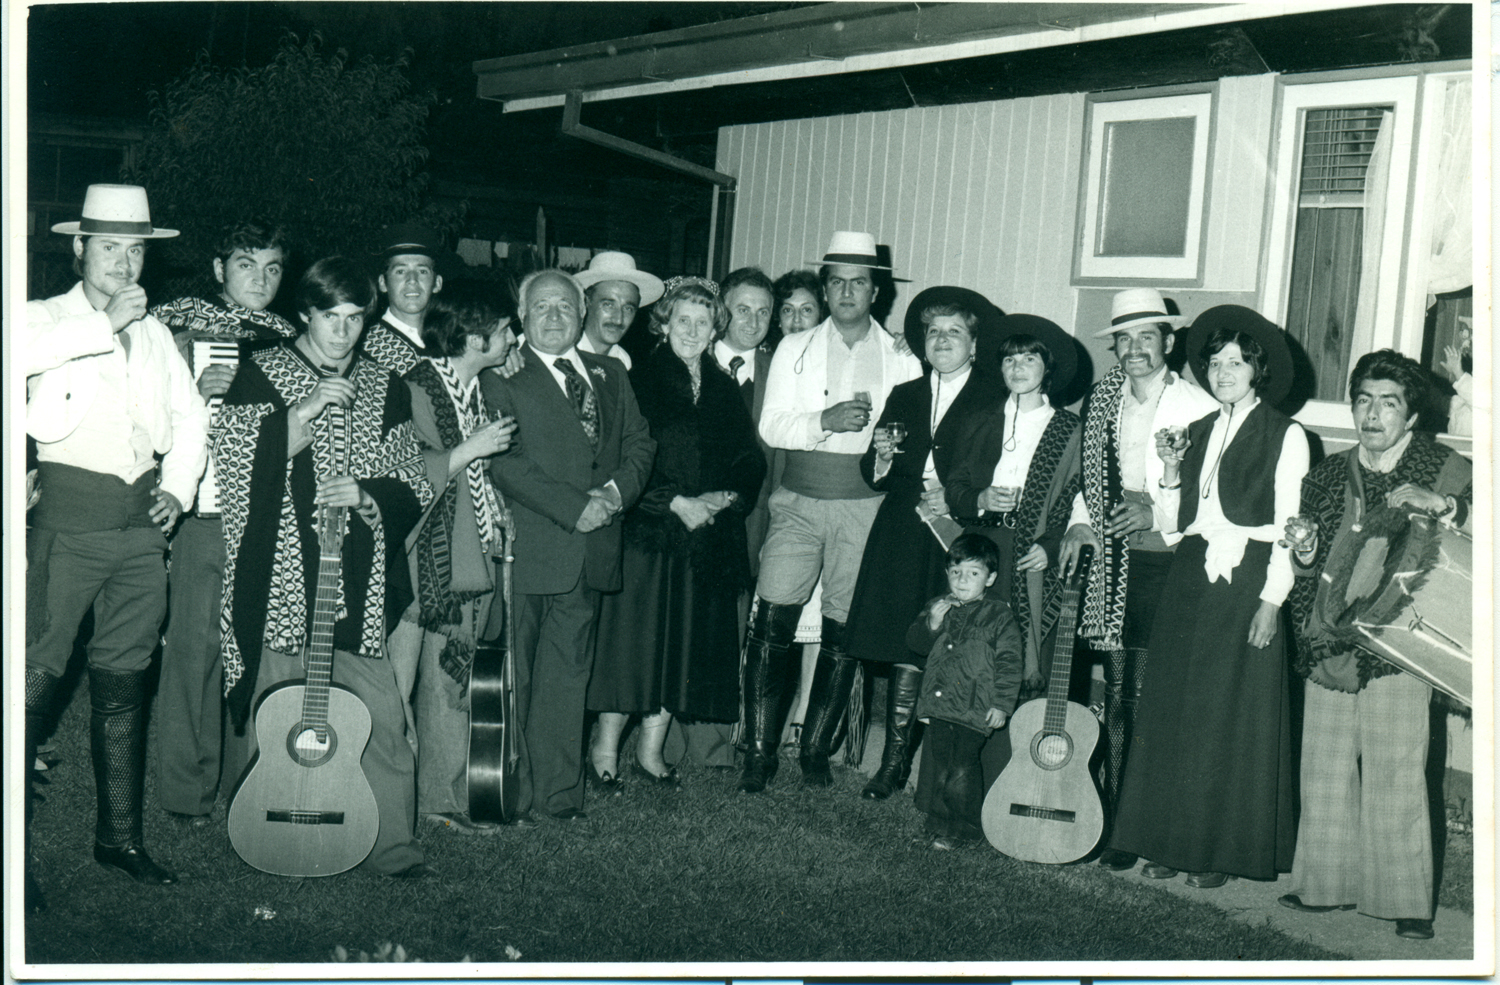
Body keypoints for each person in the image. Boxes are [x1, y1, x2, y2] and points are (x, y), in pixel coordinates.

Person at [215, 256, 434, 877]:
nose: (342, 332)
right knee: (273, 706)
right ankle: (256, 823)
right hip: (282, 573)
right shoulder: (263, 373)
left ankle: (392, 846)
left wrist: (367, 494)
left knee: (383, 717)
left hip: (356, 582)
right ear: (305, 314)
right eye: (329, 317)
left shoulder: (386, 386)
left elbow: (411, 480)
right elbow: (228, 466)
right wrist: (300, 415)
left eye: (354, 319)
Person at [24, 184, 208, 904]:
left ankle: (119, 839)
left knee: (125, 681)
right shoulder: (45, 318)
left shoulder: (158, 334)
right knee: (31, 684)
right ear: (78, 249)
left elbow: (189, 418)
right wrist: (103, 322)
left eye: (136, 250)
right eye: (109, 248)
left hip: (140, 531)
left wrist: (180, 488)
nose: (124, 263)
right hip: (66, 524)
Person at [1108, 305, 1308, 888]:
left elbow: (1289, 527)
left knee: (1226, 713)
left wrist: (1272, 601)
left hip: (1247, 579)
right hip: (1191, 574)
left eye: (1237, 362)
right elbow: (1175, 521)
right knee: (1174, 710)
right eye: (1216, 362)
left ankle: (1218, 851)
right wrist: (1170, 471)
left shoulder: (1285, 433)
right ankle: (1167, 841)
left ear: (1257, 370)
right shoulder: (1195, 431)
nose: (1224, 372)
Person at [1280, 349, 1471, 941]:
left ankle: (1405, 900)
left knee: (1396, 767)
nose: (1372, 414)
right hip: (1331, 637)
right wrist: (1305, 550)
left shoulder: (1445, 468)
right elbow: (1306, 563)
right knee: (1325, 767)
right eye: (1363, 400)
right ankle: (1324, 885)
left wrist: (1446, 505)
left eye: (1388, 403)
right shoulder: (1326, 476)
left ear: (1411, 416)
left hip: (1403, 641)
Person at [740, 231, 922, 794]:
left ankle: (817, 747)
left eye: (859, 282)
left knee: (845, 630)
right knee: (772, 621)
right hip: (797, 501)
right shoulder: (794, 348)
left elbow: (914, 433)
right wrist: (825, 420)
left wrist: (888, 446)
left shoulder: (900, 356)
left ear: (876, 290)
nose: (847, 291)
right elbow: (771, 427)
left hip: (867, 507)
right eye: (837, 281)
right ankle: (759, 752)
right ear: (825, 287)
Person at [481, 269, 656, 821]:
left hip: (592, 550)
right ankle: (509, 793)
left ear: (582, 314)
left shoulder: (610, 374)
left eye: (564, 307)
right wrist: (574, 507)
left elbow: (639, 444)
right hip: (531, 549)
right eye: (541, 308)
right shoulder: (500, 376)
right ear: (523, 317)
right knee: (519, 678)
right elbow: (506, 463)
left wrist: (612, 493)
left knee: (567, 677)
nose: (554, 316)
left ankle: (558, 797)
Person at [1056, 288, 1218, 871]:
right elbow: (1088, 482)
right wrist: (1080, 525)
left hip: (1170, 562)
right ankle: (1120, 820)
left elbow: (1212, 495)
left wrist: (1158, 512)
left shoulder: (1200, 406)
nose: (1134, 349)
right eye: (1124, 339)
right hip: (1113, 561)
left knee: (1155, 696)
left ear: (1168, 343)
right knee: (1120, 694)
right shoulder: (1102, 399)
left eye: (1146, 337)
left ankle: (1155, 820)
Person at [589, 277, 767, 787]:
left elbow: (747, 457)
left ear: (716, 330)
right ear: (663, 322)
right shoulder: (637, 379)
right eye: (682, 320)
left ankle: (650, 752)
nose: (692, 330)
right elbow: (623, 456)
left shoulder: (723, 387)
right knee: (635, 646)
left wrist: (728, 497)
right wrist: (675, 502)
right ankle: (604, 752)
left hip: (704, 539)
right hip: (649, 535)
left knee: (680, 646)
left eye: (703, 322)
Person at [151, 218, 296, 828]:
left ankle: (248, 781)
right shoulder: (173, 326)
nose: (259, 279)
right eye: (245, 264)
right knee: (193, 652)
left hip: (269, 518)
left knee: (257, 650)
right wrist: (190, 383)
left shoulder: (293, 337)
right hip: (206, 512)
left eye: (271, 267)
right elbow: (146, 411)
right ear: (218, 269)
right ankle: (187, 792)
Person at [844, 286, 1006, 801]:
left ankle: (943, 767)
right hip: (903, 530)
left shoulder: (993, 395)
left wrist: (956, 499)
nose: (942, 340)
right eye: (933, 332)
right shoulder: (906, 393)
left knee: (951, 646)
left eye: (954, 331)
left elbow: (998, 469)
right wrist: (885, 456)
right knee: (902, 641)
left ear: (973, 344)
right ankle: (893, 764)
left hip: (955, 537)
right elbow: (873, 473)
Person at [398, 286, 520, 835]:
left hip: (467, 559)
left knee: (449, 685)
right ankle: (381, 799)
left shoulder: (473, 390)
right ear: (475, 340)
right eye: (503, 329)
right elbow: (402, 472)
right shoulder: (414, 389)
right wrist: (472, 448)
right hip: (418, 567)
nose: (511, 338)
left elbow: (475, 477)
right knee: (394, 687)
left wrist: (495, 507)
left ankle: (438, 802)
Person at [943, 314, 1082, 787]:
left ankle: (1013, 779)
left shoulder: (1067, 428)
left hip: (1030, 559)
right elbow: (956, 485)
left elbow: (1073, 498)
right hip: (984, 547)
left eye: (1029, 358)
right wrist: (979, 498)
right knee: (969, 653)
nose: (1018, 367)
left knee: (1018, 656)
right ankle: (955, 782)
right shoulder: (981, 419)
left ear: (1048, 367)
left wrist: (1049, 543)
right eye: (1009, 359)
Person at [905, 535, 1023, 849]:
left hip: (975, 707)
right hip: (941, 705)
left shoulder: (999, 615)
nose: (962, 580)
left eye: (973, 573)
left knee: (962, 768)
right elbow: (915, 644)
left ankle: (965, 829)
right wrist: (932, 621)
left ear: (990, 578)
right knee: (943, 765)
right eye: (956, 572)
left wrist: (1002, 704)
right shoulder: (938, 606)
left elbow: (1011, 663)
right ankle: (939, 825)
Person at [767, 268, 830, 750]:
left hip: (808, 498)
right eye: (785, 310)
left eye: (806, 309)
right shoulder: (771, 360)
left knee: (811, 614)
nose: (795, 320)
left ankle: (804, 712)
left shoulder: (830, 363)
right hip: (766, 498)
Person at [361, 222, 449, 376]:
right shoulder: (364, 349)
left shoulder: (452, 341)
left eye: (422, 271)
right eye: (401, 271)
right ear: (383, 283)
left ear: (437, 283)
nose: (412, 279)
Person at [573, 251, 665, 369]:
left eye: (628, 308)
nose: (618, 319)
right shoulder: (565, 355)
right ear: (586, 302)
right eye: (608, 305)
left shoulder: (623, 361)